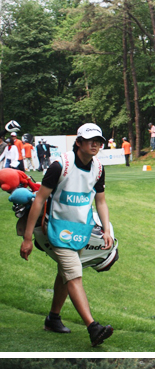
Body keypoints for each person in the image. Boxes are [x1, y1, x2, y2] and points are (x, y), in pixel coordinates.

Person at [19, 122, 114, 346]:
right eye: (91, 140)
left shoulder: (98, 168)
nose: (96, 144)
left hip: (81, 230)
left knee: (65, 273)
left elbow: (100, 201)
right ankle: (93, 327)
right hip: (56, 230)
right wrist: (27, 238)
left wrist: (106, 228)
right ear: (79, 142)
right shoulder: (60, 166)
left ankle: (53, 318)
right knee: (74, 273)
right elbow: (39, 200)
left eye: (99, 141)